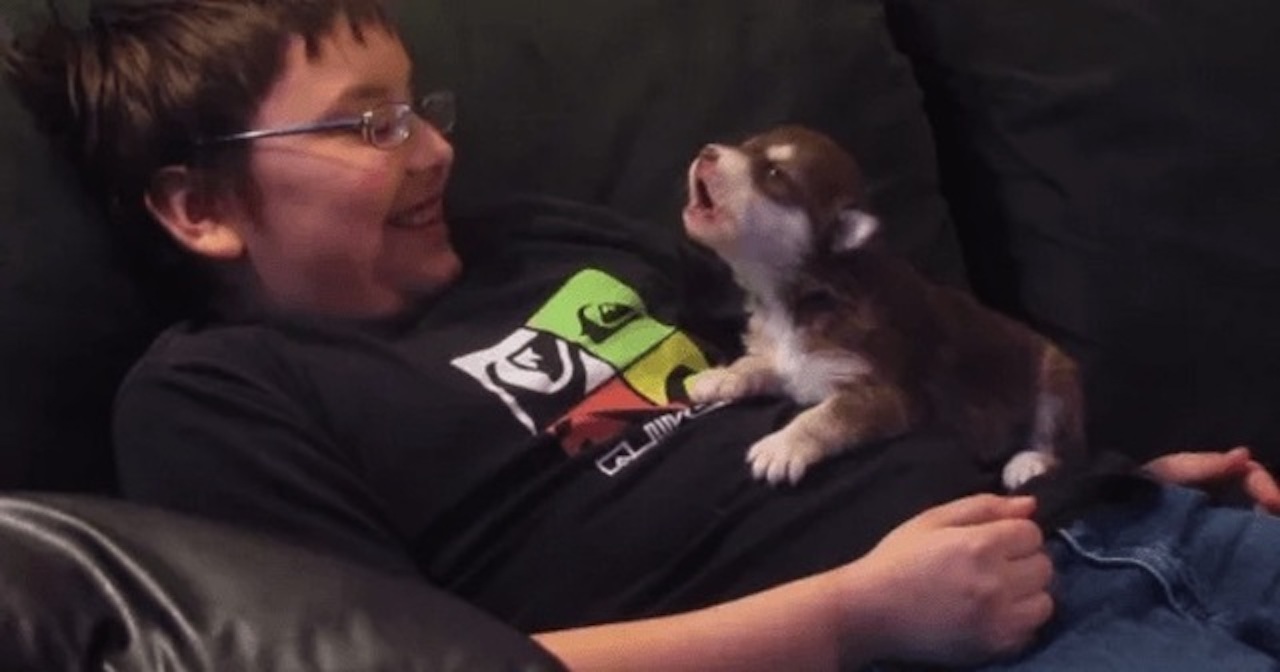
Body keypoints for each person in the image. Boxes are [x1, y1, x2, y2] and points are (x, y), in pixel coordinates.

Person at [5, 1, 1279, 670]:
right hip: (953, 642)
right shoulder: (219, 399)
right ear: (200, 208)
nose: (434, 148)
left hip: (1104, 531)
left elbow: (848, 365)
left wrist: (1097, 475)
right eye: (367, 124)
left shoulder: (541, 240)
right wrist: (853, 622)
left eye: (418, 106)